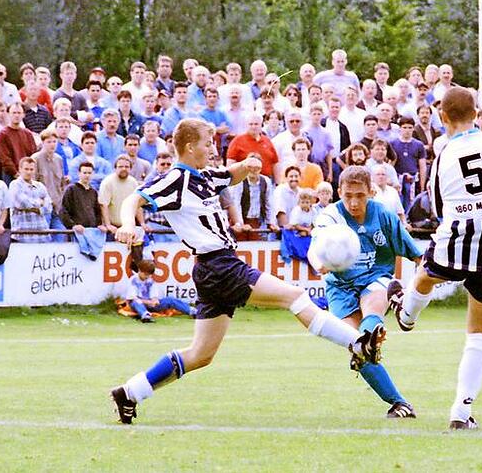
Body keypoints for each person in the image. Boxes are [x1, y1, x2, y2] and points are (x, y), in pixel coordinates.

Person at [109, 118, 384, 424]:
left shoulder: (204, 176)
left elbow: (231, 174)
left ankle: (129, 392)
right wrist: (129, 224)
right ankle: (358, 343)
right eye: (207, 144)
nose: (212, 149)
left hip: (213, 269)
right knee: (294, 296)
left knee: (201, 354)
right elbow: (134, 199)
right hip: (219, 265)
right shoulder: (175, 179)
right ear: (189, 147)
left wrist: (249, 163)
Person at [388, 87, 482, 430]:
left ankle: (407, 314)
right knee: (479, 332)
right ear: (477, 113)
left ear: (442, 117)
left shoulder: (444, 157)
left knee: (426, 274)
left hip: (461, 233)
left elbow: (437, 208)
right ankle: (460, 414)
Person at [312, 165, 422, 418]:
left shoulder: (383, 215)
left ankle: (379, 326)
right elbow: (314, 246)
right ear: (339, 192)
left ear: (371, 192)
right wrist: (318, 262)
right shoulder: (331, 216)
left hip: (376, 277)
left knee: (371, 312)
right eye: (348, 195)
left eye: (360, 196)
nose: (353, 202)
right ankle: (400, 403)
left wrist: (422, 290)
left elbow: (417, 255)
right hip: (340, 287)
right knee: (356, 346)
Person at [128, 260, 195, 323]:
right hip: (139, 304)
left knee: (170, 299)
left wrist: (155, 300)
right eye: (145, 274)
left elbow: (154, 295)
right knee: (137, 302)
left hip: (151, 304)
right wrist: (148, 302)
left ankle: (192, 311)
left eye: (149, 275)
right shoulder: (133, 280)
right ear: (139, 270)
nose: (147, 276)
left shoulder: (150, 280)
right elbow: (132, 298)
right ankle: (145, 316)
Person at [8, 157, 52, 243]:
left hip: (41, 235)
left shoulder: (40, 186)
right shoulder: (14, 185)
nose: (29, 172)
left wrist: (34, 207)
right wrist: (40, 203)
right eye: (26, 169)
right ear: (20, 169)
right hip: (22, 236)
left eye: (31, 169)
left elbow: (49, 207)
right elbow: (22, 203)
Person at [0, 102, 36, 182]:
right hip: (10, 175)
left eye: (19, 113)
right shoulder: (2, 135)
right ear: (8, 114)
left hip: (27, 174)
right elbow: (4, 158)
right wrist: (15, 173)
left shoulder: (27, 134)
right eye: (14, 113)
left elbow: (33, 153)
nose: (16, 115)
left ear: (23, 115)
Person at [99, 156, 140, 234]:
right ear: (115, 168)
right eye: (120, 166)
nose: (124, 169)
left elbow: (138, 205)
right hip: (113, 227)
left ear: (130, 169)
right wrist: (108, 225)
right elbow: (103, 205)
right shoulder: (108, 182)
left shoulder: (133, 182)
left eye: (126, 167)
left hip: (129, 227)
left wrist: (142, 223)